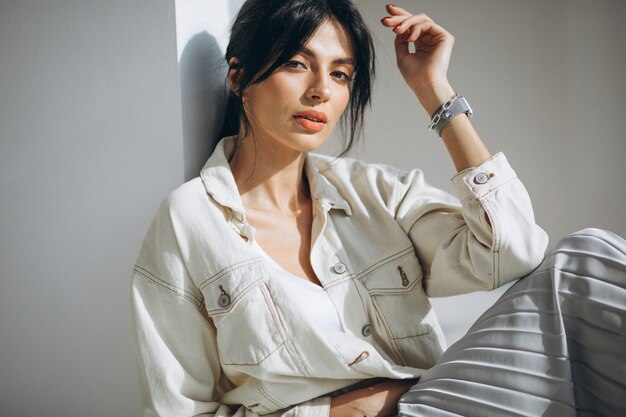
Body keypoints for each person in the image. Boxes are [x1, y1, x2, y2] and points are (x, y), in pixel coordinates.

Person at [131, 1, 626, 416]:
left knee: (586, 259)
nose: (322, 89)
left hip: (429, 404)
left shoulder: (375, 193)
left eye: (341, 74)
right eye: (296, 63)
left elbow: (512, 252)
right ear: (238, 78)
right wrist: (336, 412)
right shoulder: (189, 221)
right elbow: (180, 409)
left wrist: (435, 91)